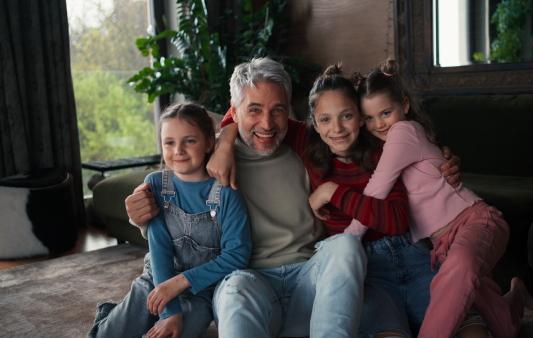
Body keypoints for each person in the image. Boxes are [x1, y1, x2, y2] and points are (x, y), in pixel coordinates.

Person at [216, 63, 469, 338]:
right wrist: (224, 142)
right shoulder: (301, 142)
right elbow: (240, 122)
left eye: (278, 109)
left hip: (371, 260)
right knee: (237, 288)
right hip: (325, 275)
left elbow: (398, 211)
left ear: (360, 118)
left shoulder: (361, 147)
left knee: (459, 324)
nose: (336, 128)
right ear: (314, 122)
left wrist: (333, 192)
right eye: (325, 120)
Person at [127, 58, 369, 338]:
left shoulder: (308, 143)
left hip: (309, 280)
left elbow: (364, 139)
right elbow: (173, 192)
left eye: (278, 110)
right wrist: (141, 215)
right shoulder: (207, 154)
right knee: (234, 288)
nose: (267, 124)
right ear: (235, 112)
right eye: (254, 110)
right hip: (249, 283)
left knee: (347, 247)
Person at [341, 59, 533, 338]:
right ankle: (517, 295)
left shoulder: (403, 131)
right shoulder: (385, 143)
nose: (378, 123)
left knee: (454, 272)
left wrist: (347, 240)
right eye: (368, 117)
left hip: (474, 223)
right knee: (503, 329)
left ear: (404, 106)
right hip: (441, 245)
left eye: (385, 112)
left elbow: (376, 188)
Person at [88, 102, 252, 338]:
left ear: (208, 143)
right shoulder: (155, 185)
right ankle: (112, 316)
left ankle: (124, 315)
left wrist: (181, 285)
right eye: (169, 143)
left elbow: (237, 256)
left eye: (189, 141)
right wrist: (170, 312)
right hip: (158, 275)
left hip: (204, 288)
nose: (178, 150)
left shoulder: (227, 192)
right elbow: (159, 249)